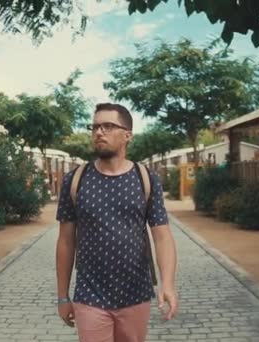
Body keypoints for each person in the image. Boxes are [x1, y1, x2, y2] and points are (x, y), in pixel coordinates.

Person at [55, 103, 178, 342]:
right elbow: (66, 242)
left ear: (127, 135)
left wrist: (168, 284)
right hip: (90, 294)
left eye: (108, 126)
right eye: (95, 127)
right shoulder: (76, 180)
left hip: (136, 293)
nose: (99, 132)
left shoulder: (145, 178)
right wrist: (62, 296)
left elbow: (162, 237)